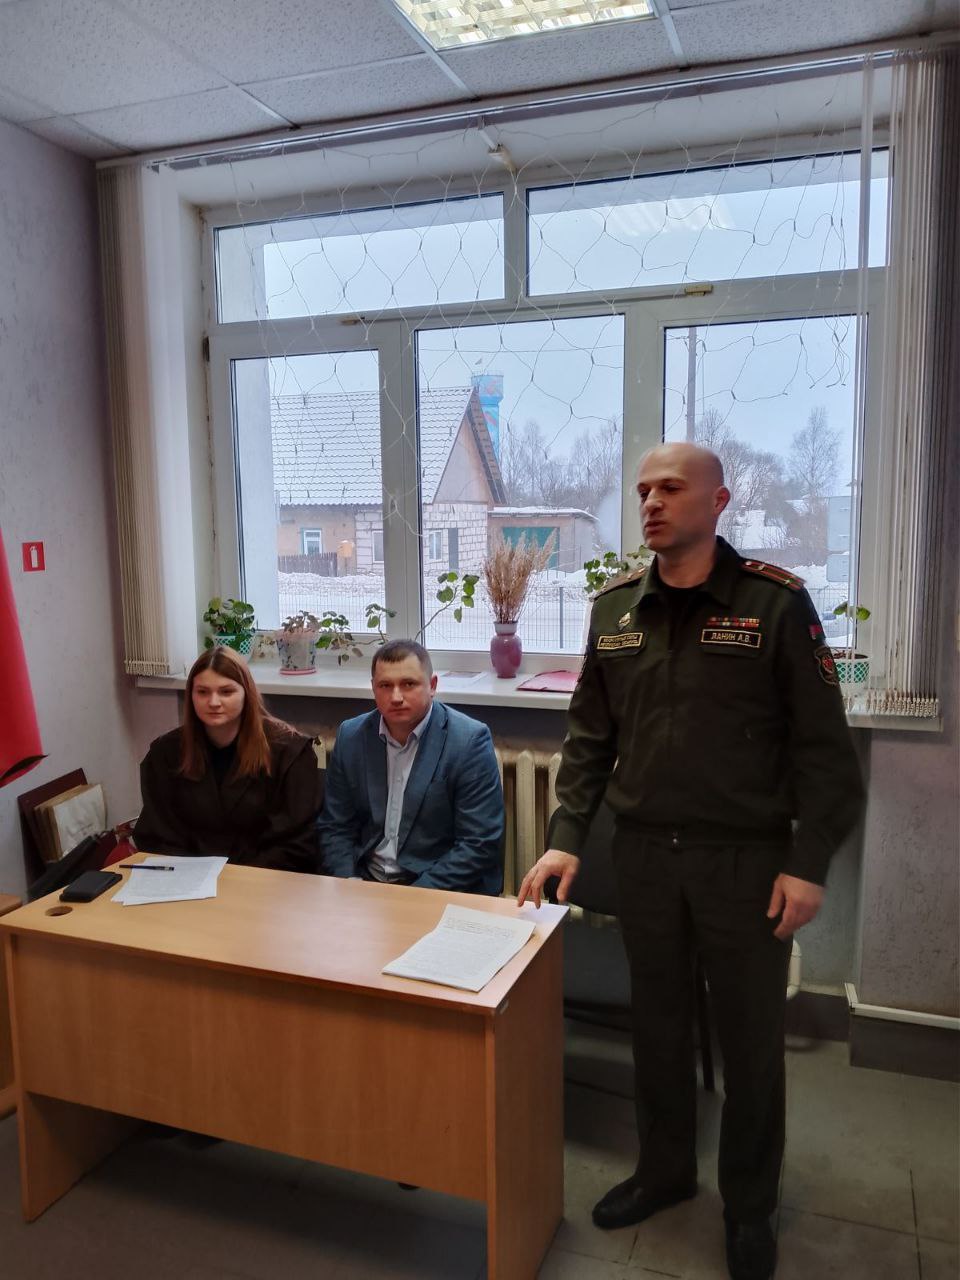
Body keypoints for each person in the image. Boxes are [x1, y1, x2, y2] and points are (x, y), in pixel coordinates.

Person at [518, 442, 864, 1280]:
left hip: (744, 862)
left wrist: (808, 862)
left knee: (750, 1045)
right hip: (644, 857)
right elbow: (590, 741)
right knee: (660, 1030)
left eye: (670, 488)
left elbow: (825, 754)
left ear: (719, 501)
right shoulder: (615, 611)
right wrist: (566, 836)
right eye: (644, 490)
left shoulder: (775, 604)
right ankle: (665, 1170)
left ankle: (749, 1206)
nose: (651, 502)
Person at [319, 639, 503, 893]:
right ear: (373, 688)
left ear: (432, 685)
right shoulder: (351, 736)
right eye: (385, 685)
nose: (396, 697)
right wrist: (348, 883)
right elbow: (335, 827)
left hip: (437, 888)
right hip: (365, 885)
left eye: (408, 684)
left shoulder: (468, 741)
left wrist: (412, 898)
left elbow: (478, 843)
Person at [134, 646, 321, 872]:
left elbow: (298, 843)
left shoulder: (290, 752)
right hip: (187, 877)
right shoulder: (165, 753)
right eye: (203, 692)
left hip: (264, 878)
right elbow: (158, 835)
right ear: (191, 695)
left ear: (246, 693)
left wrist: (234, 878)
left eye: (226, 692)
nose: (213, 702)